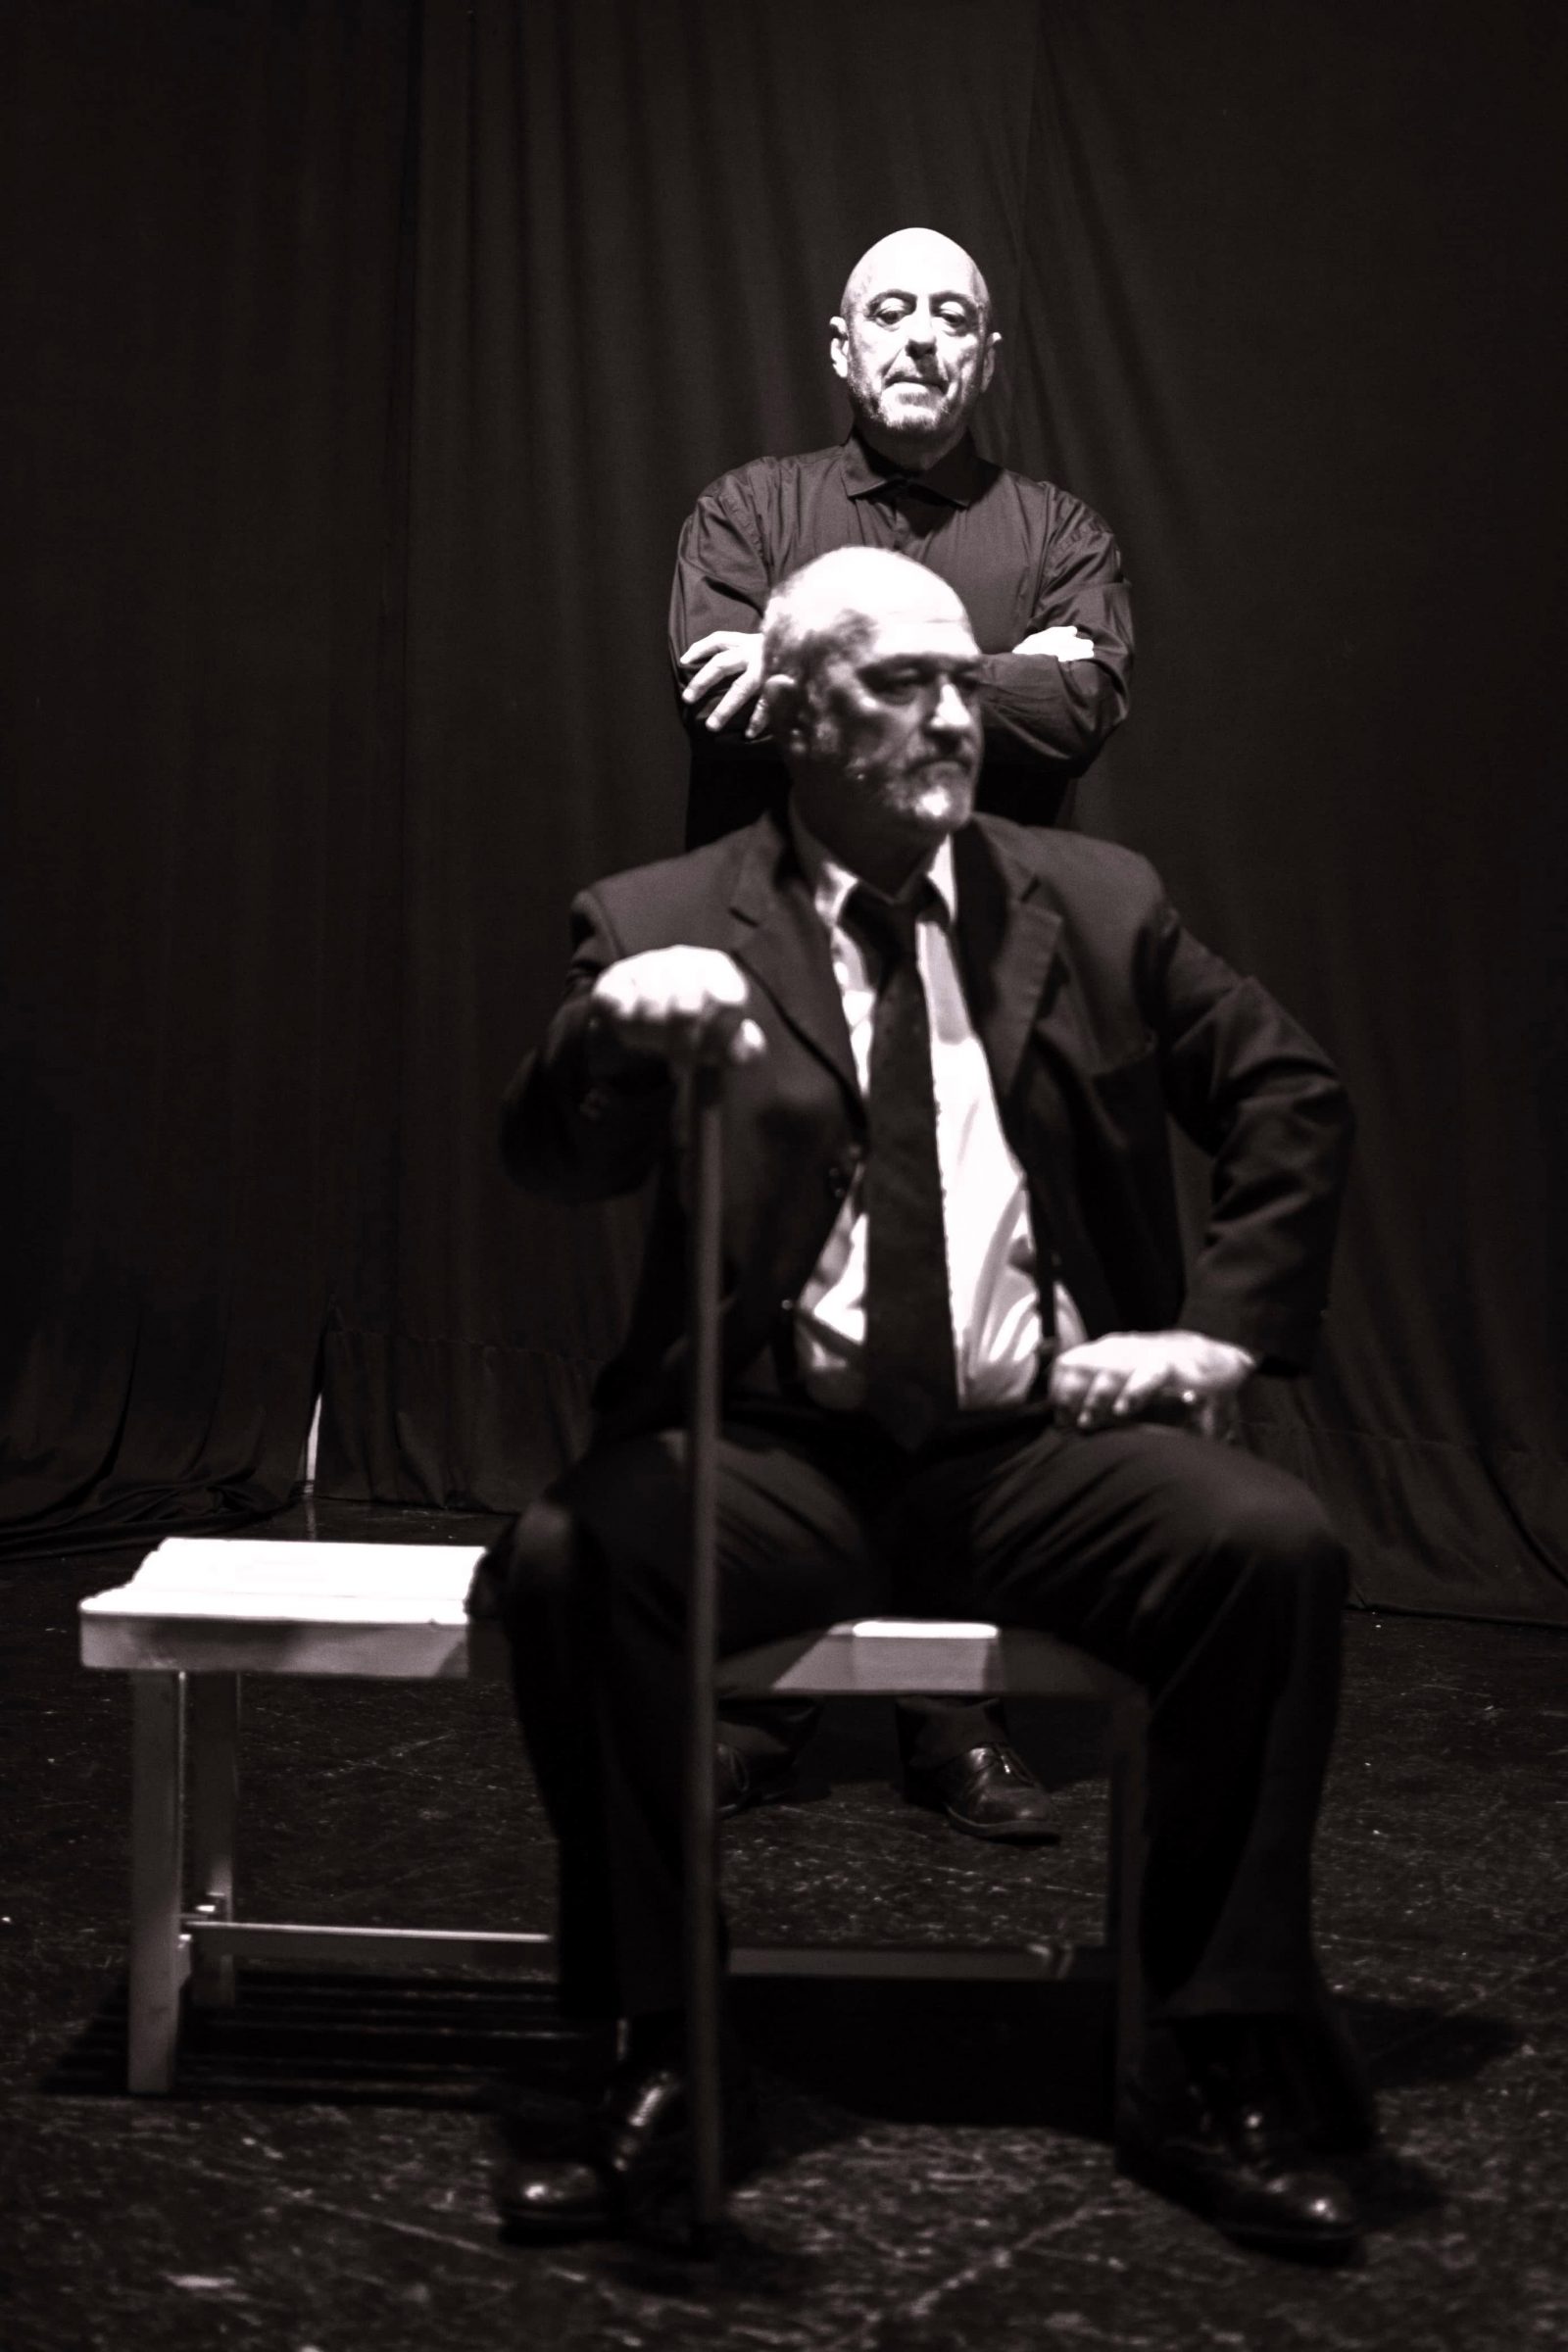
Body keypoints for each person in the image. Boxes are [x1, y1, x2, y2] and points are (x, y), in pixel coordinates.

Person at [489, 549, 1373, 2257]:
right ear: (794, 714)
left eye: (966, 681)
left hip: (1031, 1451)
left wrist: (1220, 1337)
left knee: (1268, 1551)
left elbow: (1292, 1093)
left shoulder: (1097, 902)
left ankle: (1212, 2052)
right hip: (778, 1452)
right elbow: (554, 1158)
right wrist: (604, 1036)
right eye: (902, 683)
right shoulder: (663, 920)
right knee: (574, 1560)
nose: (955, 717)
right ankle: (658, 2044)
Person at [670, 225, 1136, 1838]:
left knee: (968, 1352)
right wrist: (999, 675)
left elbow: (1086, 708)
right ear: (842, 344)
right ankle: (757, 1705)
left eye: (953, 315)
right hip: (785, 989)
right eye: (893, 311)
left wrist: (824, 668)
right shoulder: (750, 512)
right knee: (767, 1345)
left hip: (978, 994)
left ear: (987, 353)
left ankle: (956, 1718)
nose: (922, 337)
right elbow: (719, 695)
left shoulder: (1057, 528)